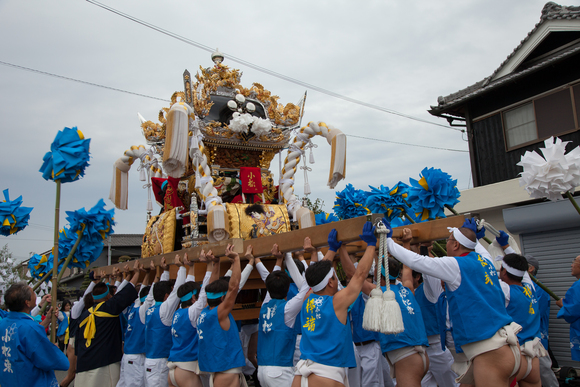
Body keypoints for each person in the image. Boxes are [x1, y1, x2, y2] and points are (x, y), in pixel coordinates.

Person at [384, 219, 520, 387]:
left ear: (455, 245)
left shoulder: (456, 265)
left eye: (448, 240)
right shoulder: (486, 260)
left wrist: (388, 240)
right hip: (498, 347)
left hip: (489, 351)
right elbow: (475, 246)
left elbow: (416, 261)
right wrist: (474, 237)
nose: (446, 244)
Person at [291, 223, 376, 387]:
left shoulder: (307, 298)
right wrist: (371, 245)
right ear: (330, 282)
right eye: (335, 277)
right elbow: (359, 276)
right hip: (326, 375)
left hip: (301, 374)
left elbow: (316, 277)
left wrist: (332, 249)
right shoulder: (337, 302)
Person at [75, 259, 141, 387]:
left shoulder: (84, 315)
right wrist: (137, 273)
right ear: (107, 297)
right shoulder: (108, 308)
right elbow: (126, 293)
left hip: (84, 365)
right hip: (104, 364)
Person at [255, 243, 310, 387]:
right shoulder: (287, 309)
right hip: (279, 370)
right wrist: (288, 256)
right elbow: (307, 287)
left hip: (261, 369)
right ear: (287, 290)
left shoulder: (264, 305)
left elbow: (270, 279)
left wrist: (280, 260)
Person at [167, 250, 219, 387]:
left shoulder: (177, 312)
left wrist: (191, 267)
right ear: (193, 298)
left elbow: (187, 288)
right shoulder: (192, 312)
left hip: (173, 369)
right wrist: (209, 265)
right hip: (187, 370)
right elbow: (204, 294)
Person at [0, 282, 69, 386]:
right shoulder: (30, 328)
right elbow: (62, 363)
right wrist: (52, 349)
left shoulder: (3, 323)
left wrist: (48, 319)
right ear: (27, 302)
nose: (35, 295)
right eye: (33, 292)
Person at [197, 244, 247, 387]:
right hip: (227, 370)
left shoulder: (205, 311)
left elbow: (211, 287)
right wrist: (236, 260)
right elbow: (234, 287)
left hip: (217, 369)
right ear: (222, 298)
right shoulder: (219, 313)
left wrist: (216, 264)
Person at [498, 253, 545, 387]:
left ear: (504, 271)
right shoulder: (530, 288)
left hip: (514, 357)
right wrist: (507, 248)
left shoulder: (505, 290)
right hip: (533, 358)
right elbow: (523, 272)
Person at [144, 255, 187, 387]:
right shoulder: (163, 310)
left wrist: (165, 271)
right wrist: (182, 267)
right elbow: (176, 293)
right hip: (159, 363)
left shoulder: (149, 309)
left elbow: (155, 290)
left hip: (151, 360)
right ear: (166, 296)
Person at [525, 255, 559, 387]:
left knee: (543, 372)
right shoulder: (519, 286)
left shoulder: (540, 289)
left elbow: (535, 314)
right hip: (523, 338)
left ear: (531, 269)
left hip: (537, 337)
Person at [556, 254, 580, 361]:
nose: (571, 265)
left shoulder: (578, 286)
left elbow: (572, 311)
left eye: (574, 262)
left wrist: (562, 305)